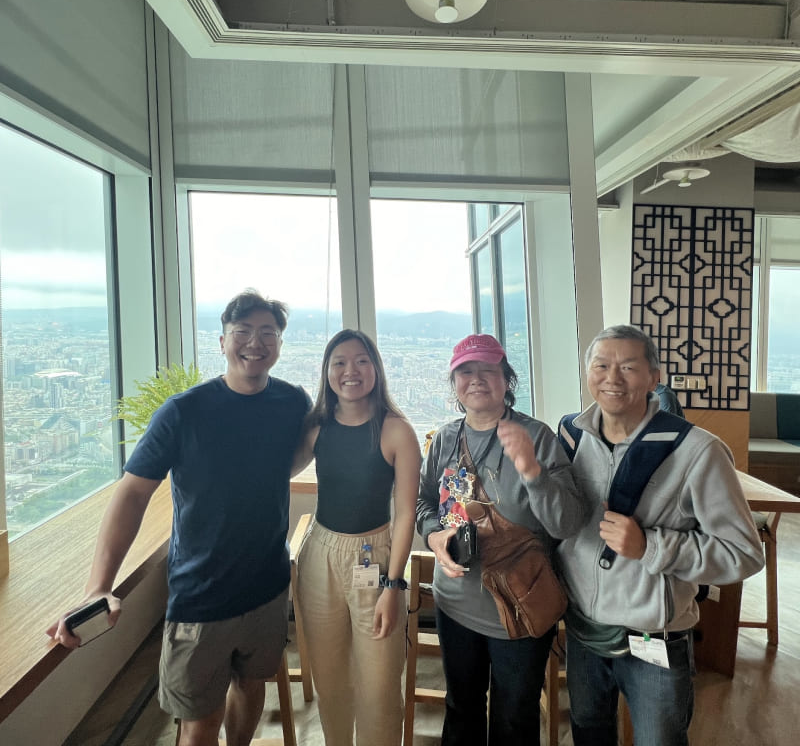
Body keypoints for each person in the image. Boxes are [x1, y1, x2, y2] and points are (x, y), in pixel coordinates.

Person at [47, 289, 310, 746]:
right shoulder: (184, 411)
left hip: (268, 585)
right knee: (199, 721)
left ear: (280, 345)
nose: (255, 342)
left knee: (252, 687)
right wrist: (99, 585)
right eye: (243, 332)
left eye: (268, 333)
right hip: (200, 596)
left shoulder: (292, 402)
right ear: (222, 341)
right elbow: (132, 493)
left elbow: (290, 459)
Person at [556, 324, 764, 746]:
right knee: (588, 734)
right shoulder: (569, 437)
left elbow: (744, 553)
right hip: (582, 633)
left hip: (653, 642)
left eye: (628, 367)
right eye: (601, 365)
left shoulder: (697, 451)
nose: (612, 378)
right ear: (587, 372)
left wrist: (651, 546)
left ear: (655, 377)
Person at [416, 334, 583, 746]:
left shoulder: (538, 437)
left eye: (488, 370)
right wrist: (434, 535)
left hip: (518, 607)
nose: (476, 379)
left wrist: (531, 471)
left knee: (513, 716)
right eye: (465, 371)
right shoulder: (445, 439)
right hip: (454, 602)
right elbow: (424, 503)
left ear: (507, 379)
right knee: (461, 707)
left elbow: (567, 522)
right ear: (454, 383)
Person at [292, 329, 421, 746]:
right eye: (339, 362)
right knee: (330, 677)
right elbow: (273, 470)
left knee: (381, 681)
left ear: (376, 369)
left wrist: (394, 583)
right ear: (327, 372)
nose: (351, 371)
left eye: (361, 360)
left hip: (377, 554)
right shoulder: (317, 427)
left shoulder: (396, 430)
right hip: (320, 554)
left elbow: (405, 515)